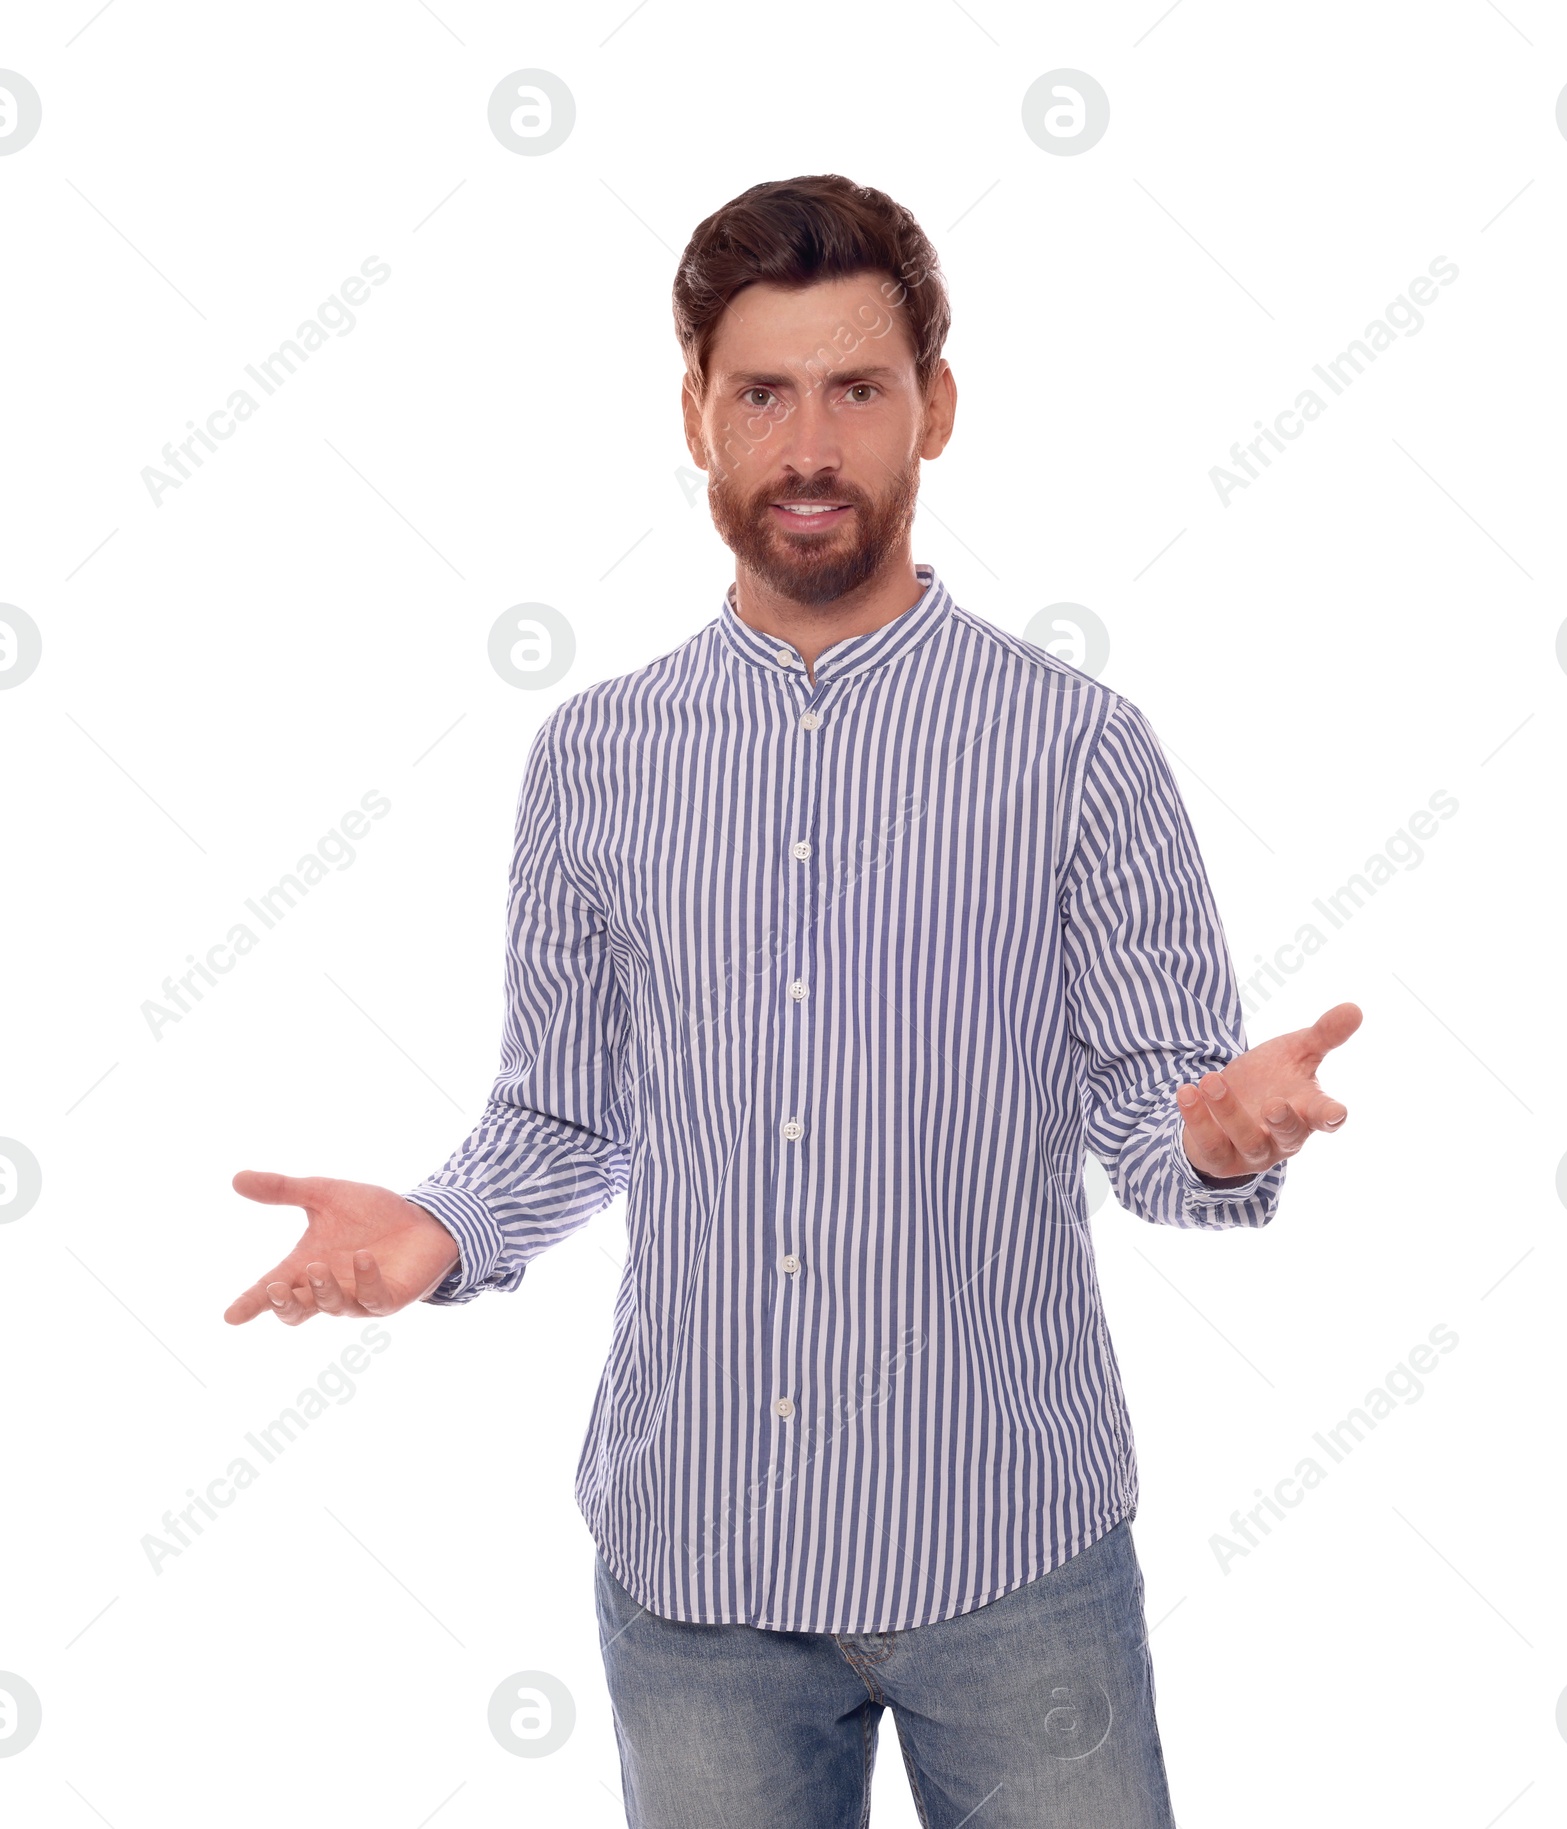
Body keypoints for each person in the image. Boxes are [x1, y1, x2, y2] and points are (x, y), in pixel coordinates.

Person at [224, 173, 1360, 1827]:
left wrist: (1220, 1129)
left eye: (857, 390)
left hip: (1012, 1549)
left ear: (935, 410)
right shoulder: (595, 759)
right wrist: (438, 1227)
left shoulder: (1075, 748)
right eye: (762, 393)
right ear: (697, 412)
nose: (808, 446)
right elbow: (561, 1111)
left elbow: (1151, 1111)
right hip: (695, 1574)